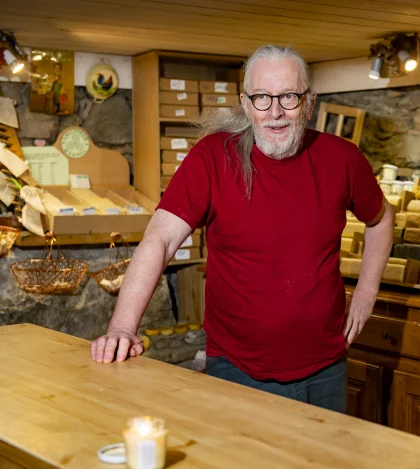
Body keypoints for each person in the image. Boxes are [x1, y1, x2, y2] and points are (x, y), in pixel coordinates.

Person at [90, 45, 394, 413]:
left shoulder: (343, 159)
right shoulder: (213, 158)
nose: (275, 111)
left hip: (326, 369)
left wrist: (365, 293)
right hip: (237, 370)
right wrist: (122, 327)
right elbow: (161, 239)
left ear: (310, 102)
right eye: (262, 98)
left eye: (289, 97)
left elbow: (381, 219)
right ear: (246, 103)